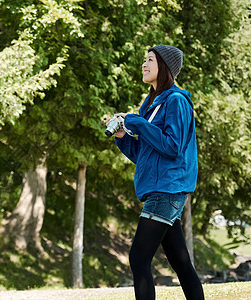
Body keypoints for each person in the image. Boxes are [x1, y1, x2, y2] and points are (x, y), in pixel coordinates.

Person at [106, 44, 205, 300]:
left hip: (168, 190)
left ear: (165, 67)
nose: (144, 64)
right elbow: (144, 155)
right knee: (180, 261)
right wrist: (123, 136)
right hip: (158, 190)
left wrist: (136, 122)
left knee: (138, 257)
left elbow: (172, 146)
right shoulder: (149, 106)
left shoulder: (176, 101)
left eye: (150, 59)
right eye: (144, 59)